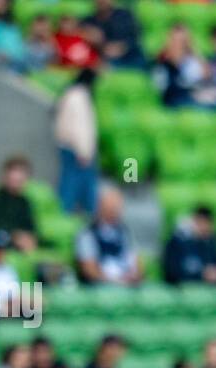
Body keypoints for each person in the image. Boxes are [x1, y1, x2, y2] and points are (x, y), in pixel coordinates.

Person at [54, 68, 100, 215]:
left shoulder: (71, 94)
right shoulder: (78, 97)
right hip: (76, 149)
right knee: (73, 185)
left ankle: (69, 212)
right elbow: (79, 127)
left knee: (71, 183)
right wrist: (83, 151)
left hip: (70, 146)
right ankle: (69, 213)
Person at [75, 187, 141, 285]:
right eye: (111, 206)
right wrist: (114, 281)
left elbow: (136, 264)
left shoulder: (125, 232)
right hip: (102, 285)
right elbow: (89, 270)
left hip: (126, 283)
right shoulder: (87, 233)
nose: (115, 210)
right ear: (100, 207)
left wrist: (133, 276)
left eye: (117, 206)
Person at [162, 206, 216, 285]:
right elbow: (172, 274)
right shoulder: (176, 243)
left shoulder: (212, 242)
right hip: (184, 291)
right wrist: (202, 275)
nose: (204, 227)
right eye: (200, 222)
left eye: (207, 223)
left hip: (210, 289)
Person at [0, 156, 39, 252]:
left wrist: (30, 238)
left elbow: (31, 227)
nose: (17, 177)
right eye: (14, 172)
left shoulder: (24, 202)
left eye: (22, 173)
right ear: (5, 175)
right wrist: (15, 237)